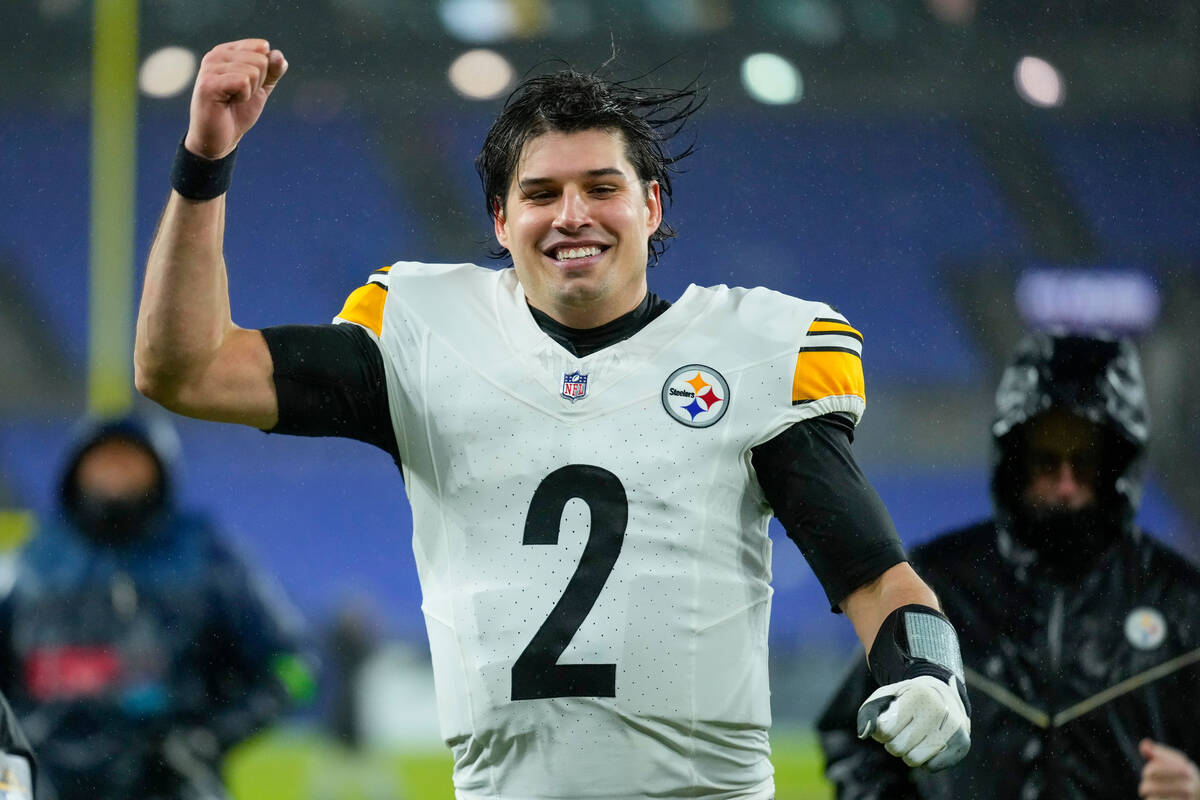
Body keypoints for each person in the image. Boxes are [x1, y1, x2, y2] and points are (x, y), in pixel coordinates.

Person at [134, 38, 972, 799]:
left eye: (600, 188)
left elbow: (875, 577)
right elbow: (184, 369)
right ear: (502, 222)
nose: (572, 213)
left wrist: (932, 671)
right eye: (541, 193)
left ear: (650, 206)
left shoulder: (750, 353)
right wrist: (207, 158)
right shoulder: (426, 339)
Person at [816, 331, 1200, 800]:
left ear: (1117, 466)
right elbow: (854, 737)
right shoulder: (939, 584)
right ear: (1014, 459)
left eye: (1085, 461)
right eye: (1046, 460)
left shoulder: (1183, 602)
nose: (1064, 484)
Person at [0, 414, 317, 800]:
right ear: (76, 471)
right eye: (105, 459)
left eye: (130, 460)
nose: (116, 473)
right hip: (45, 784)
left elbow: (297, 667)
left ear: (160, 472)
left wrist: (213, 735)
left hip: (173, 784)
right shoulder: (29, 564)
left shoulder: (208, 557)